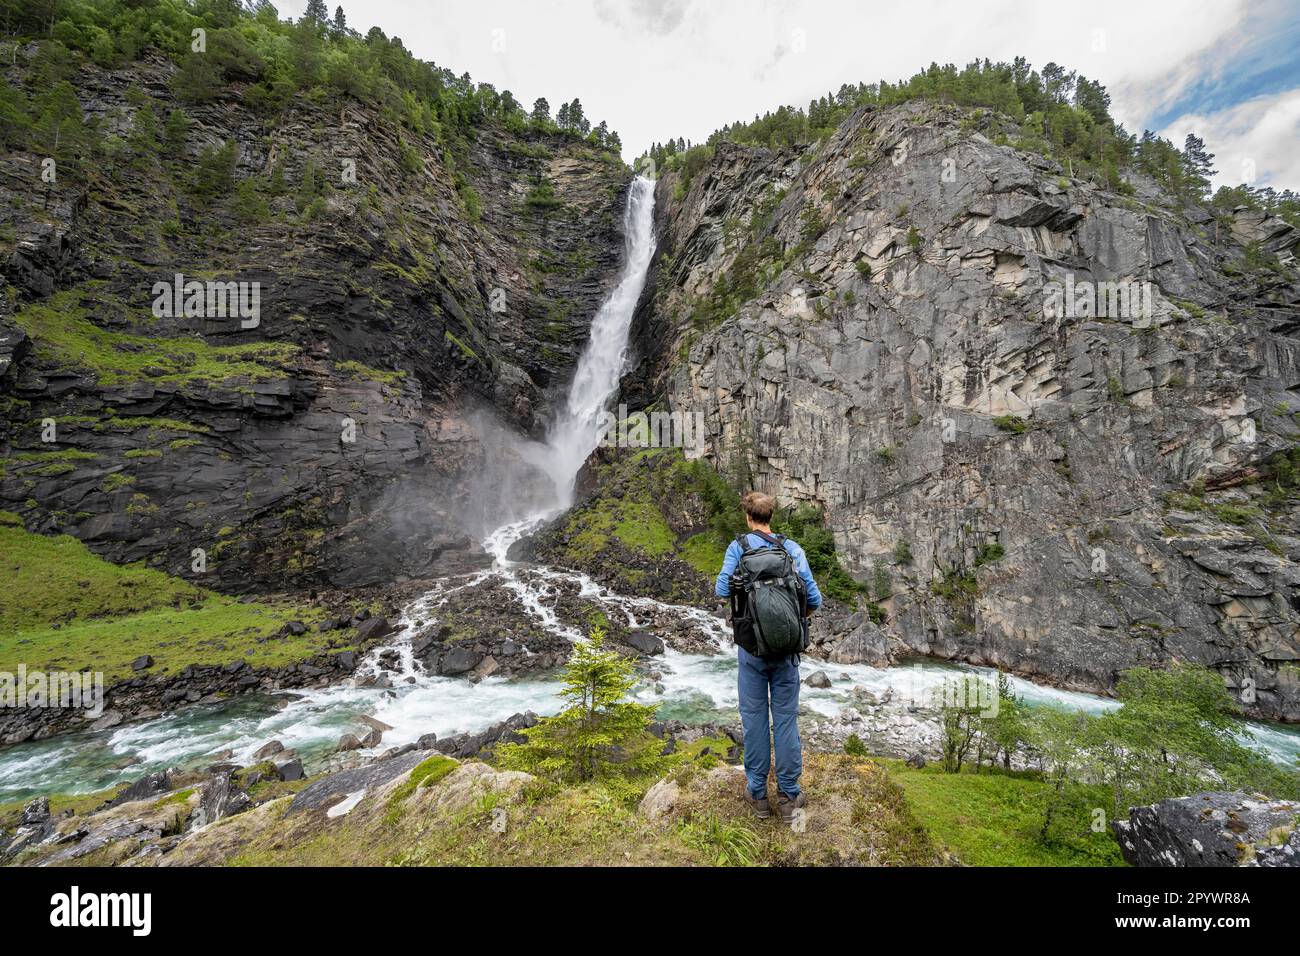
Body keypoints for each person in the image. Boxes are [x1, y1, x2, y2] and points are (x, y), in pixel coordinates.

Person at [715, 491, 822, 824]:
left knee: (755, 719)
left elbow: (721, 590)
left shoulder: (739, 548)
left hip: (751, 652)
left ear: (748, 517)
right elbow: (813, 598)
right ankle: (789, 796)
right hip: (787, 651)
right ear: (770, 516)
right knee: (786, 720)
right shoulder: (791, 549)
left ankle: (758, 795)